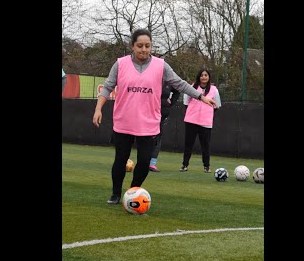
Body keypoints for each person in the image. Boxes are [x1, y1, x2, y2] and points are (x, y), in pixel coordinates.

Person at [92, 28, 216, 204]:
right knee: (120, 159)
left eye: (147, 46)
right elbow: (107, 87)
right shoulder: (120, 64)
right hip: (124, 121)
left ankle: (133, 192)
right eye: (140, 46)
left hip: (148, 123)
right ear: (132, 46)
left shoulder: (161, 65)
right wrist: (98, 109)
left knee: (143, 162)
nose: (144, 49)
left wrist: (201, 97)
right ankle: (115, 193)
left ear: (151, 46)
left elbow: (179, 84)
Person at [179, 69, 221, 173]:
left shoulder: (214, 89)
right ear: (199, 77)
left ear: (209, 77)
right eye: (202, 75)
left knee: (205, 145)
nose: (204, 77)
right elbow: (186, 102)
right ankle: (184, 165)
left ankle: (206, 166)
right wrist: (192, 113)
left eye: (206, 75)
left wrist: (207, 114)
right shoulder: (192, 87)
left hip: (205, 122)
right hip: (191, 120)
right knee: (188, 144)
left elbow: (217, 105)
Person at [148, 82, 180, 172]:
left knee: (158, 137)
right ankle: (143, 161)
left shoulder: (168, 81)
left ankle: (152, 164)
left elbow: (177, 91)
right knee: (146, 137)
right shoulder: (150, 78)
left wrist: (171, 102)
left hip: (162, 114)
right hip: (148, 112)